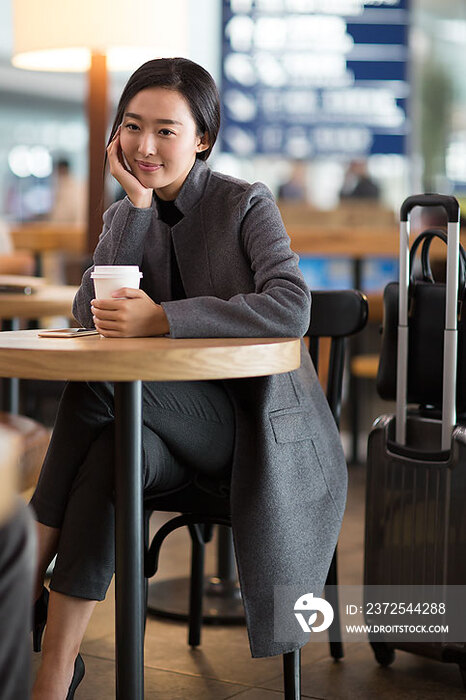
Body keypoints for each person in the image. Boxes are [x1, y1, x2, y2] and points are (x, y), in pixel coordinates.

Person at [29, 57, 347, 698]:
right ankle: (54, 669)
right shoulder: (130, 209)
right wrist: (135, 208)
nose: (145, 146)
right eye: (133, 127)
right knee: (111, 461)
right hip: (159, 425)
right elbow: (85, 312)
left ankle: (18, 577)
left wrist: (162, 321)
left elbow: (291, 304)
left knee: (101, 386)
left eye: (167, 130)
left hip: (252, 431)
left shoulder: (245, 202)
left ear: (202, 137)